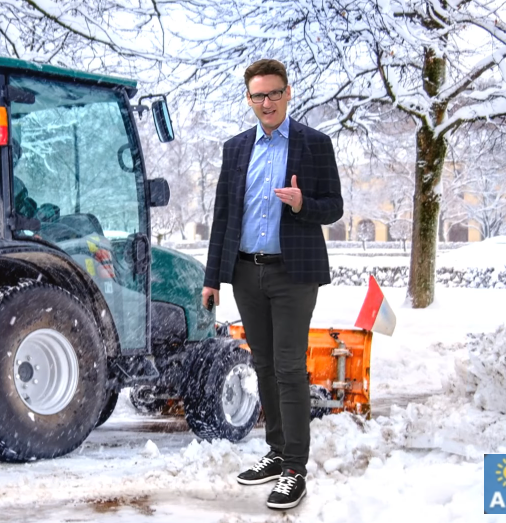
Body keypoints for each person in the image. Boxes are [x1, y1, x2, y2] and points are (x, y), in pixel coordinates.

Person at [200, 59, 343, 510]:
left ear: (287, 93)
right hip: (245, 270)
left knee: (287, 367)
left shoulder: (314, 144)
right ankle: (277, 452)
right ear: (249, 99)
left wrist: (302, 204)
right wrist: (212, 279)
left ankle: (296, 469)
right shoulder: (236, 148)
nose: (267, 102)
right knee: (262, 366)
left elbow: (334, 206)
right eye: (258, 95)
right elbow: (224, 214)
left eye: (274, 93)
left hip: (293, 272)